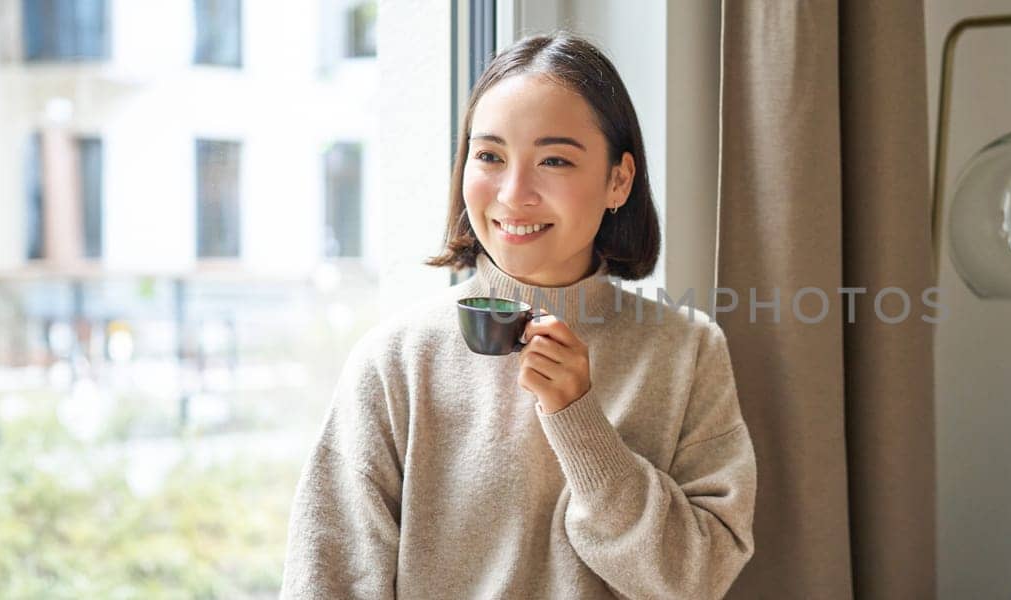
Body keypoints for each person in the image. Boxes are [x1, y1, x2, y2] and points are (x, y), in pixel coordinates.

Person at [280, 33, 756, 599]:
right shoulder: (397, 361)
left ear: (618, 180)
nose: (513, 192)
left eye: (554, 159)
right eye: (489, 156)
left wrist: (580, 423)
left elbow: (695, 581)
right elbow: (326, 581)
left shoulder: (688, 352)